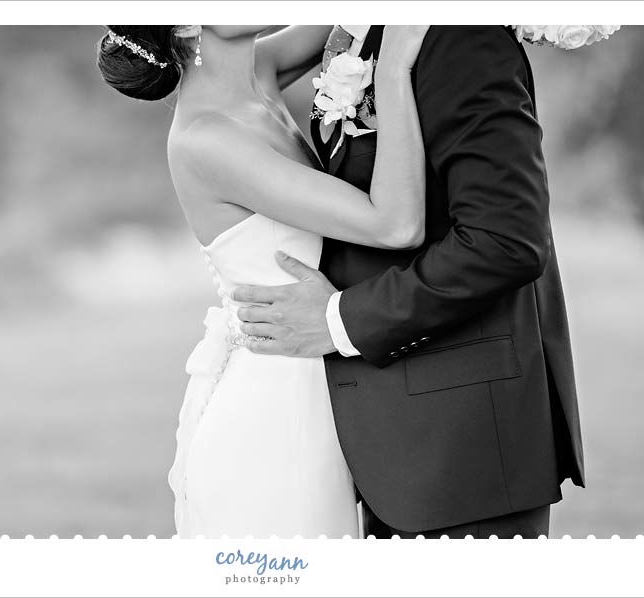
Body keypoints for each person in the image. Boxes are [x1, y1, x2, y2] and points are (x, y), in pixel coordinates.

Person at [232, 26, 586, 539]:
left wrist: (340, 321)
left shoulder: (458, 36)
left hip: (460, 441)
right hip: (390, 437)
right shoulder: (358, 34)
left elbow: (503, 240)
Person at [98, 24, 430, 538]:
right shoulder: (207, 140)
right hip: (273, 410)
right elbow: (396, 225)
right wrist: (391, 72)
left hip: (323, 381)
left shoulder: (261, 67)